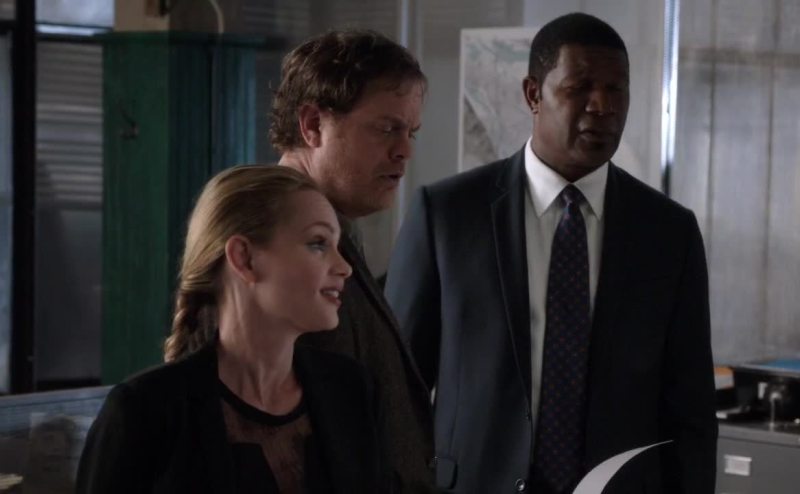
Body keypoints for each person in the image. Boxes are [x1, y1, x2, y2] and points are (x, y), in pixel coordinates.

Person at [385, 12, 718, 494]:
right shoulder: (449, 215)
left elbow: (691, 407)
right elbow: (396, 389)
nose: (602, 106)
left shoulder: (668, 231)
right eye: (579, 87)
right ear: (533, 94)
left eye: (616, 90)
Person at [77, 165, 389, 493]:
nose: (344, 267)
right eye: (318, 243)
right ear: (244, 258)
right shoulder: (143, 412)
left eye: (337, 245)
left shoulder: (352, 391)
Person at [272, 30, 436, 492]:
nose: (405, 150)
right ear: (313, 125)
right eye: (386, 128)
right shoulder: (275, 241)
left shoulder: (333, 230)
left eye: (411, 132)